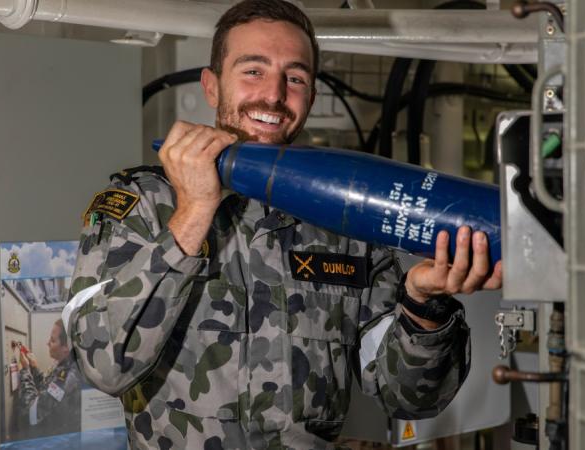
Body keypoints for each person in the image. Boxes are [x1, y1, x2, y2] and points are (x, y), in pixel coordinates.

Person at [64, 0, 502, 448]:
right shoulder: (143, 204)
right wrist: (193, 212)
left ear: (310, 96)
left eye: (294, 78)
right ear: (212, 87)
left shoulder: (346, 218)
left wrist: (424, 306)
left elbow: (408, 399)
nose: (273, 95)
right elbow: (104, 365)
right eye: (253, 70)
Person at [16, 319, 81, 439]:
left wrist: (25, 371)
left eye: (52, 340)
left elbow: (31, 413)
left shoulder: (67, 377)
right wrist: (34, 369)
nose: (48, 343)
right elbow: (48, 392)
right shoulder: (65, 366)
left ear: (66, 347)